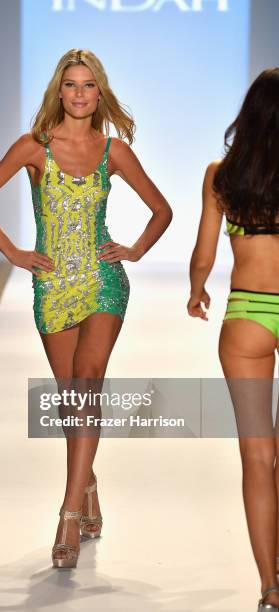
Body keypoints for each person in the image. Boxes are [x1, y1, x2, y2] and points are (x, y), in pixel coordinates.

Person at [0, 48, 172, 569]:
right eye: (71, 85)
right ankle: (90, 487)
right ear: (60, 91)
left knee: (87, 383)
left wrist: (136, 249)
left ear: (100, 92)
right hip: (53, 286)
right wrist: (12, 252)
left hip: (103, 280)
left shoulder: (113, 151)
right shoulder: (34, 147)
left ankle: (68, 514)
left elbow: (161, 209)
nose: (80, 94)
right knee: (71, 403)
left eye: (89, 85)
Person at [188, 67, 279, 610]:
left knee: (256, 458)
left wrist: (197, 289)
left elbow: (205, 252)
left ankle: (271, 586)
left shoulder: (221, 175)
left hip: (246, 315)